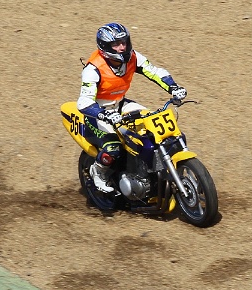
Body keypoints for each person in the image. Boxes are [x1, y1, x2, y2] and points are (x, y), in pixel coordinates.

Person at [77, 22, 187, 193]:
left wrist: (174, 87)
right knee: (113, 147)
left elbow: (155, 72)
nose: (122, 47)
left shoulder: (133, 58)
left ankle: (152, 169)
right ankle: (98, 172)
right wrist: (104, 115)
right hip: (98, 113)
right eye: (116, 44)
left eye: (124, 42)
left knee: (154, 128)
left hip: (121, 104)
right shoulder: (93, 69)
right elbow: (84, 102)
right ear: (105, 46)